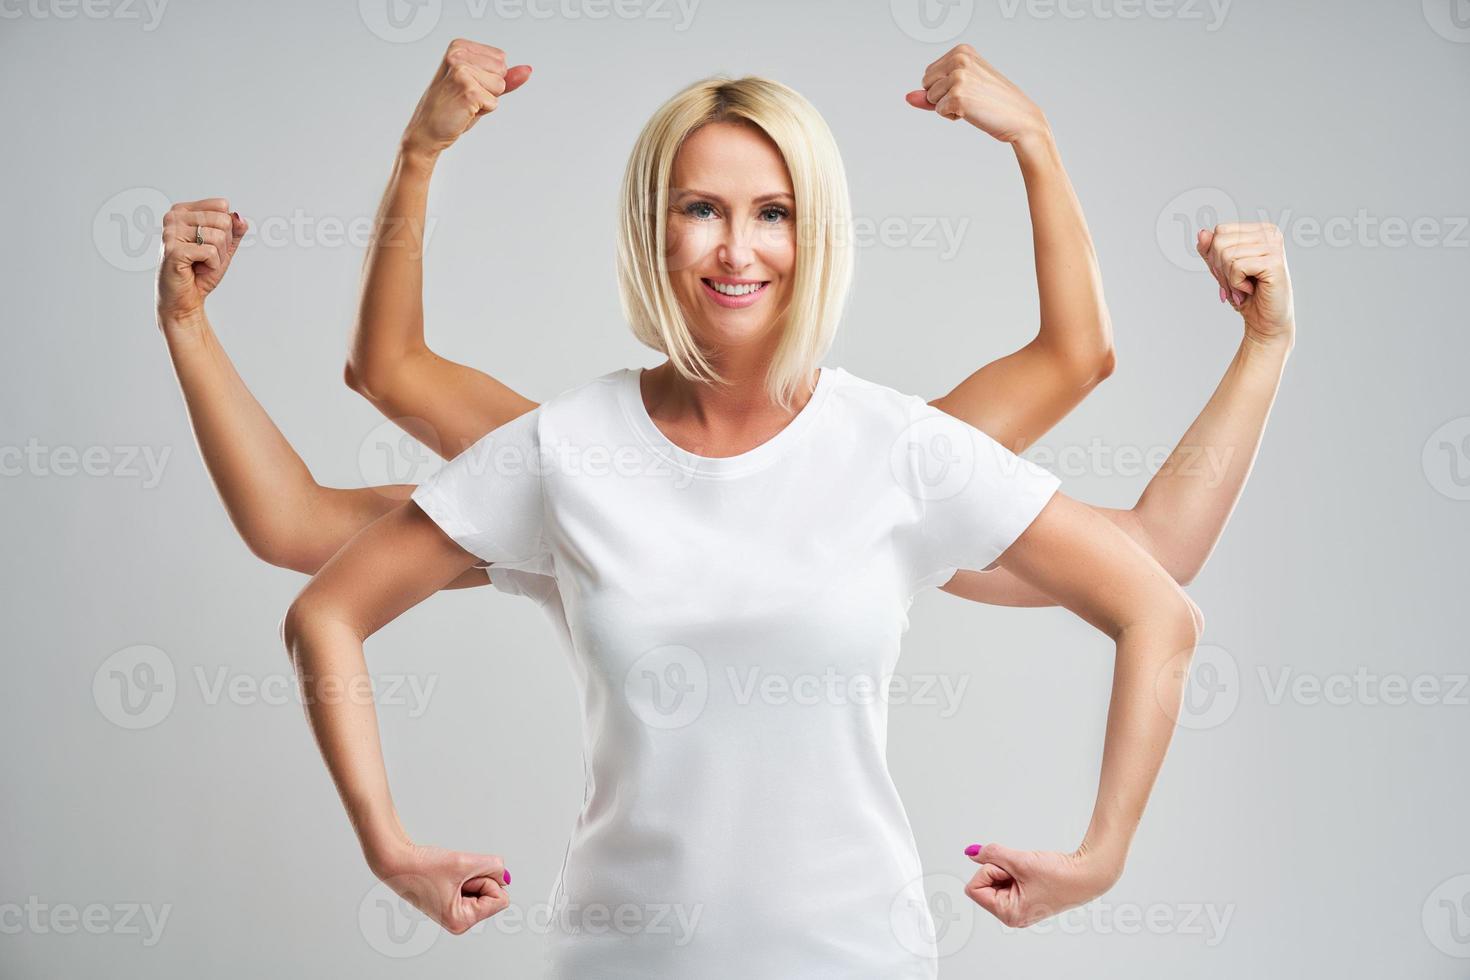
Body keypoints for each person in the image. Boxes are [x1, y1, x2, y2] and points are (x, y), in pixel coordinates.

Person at [153, 42, 1293, 978]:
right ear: (655, 230)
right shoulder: (563, 454)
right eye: (701, 209)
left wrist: (1047, 153)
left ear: (818, 236)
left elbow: (1144, 536)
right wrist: (391, 174)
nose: (738, 248)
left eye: (775, 214)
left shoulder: (903, 452)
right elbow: (317, 506)